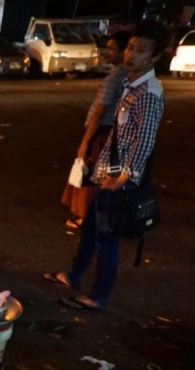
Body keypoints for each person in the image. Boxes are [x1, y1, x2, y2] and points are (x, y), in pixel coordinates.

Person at [45, 21, 167, 311]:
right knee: (90, 229)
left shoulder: (148, 92)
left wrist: (124, 177)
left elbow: (144, 139)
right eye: (130, 48)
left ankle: (97, 297)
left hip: (118, 178)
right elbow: (119, 132)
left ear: (154, 57)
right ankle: (73, 276)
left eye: (140, 51)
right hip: (108, 172)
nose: (131, 54)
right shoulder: (130, 83)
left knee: (106, 239)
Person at [62, 30, 131, 228]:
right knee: (103, 174)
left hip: (102, 130)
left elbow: (99, 112)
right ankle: (99, 216)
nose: (106, 52)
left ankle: (84, 216)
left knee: (89, 172)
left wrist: (85, 143)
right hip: (114, 130)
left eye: (112, 49)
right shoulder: (127, 75)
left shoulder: (115, 78)